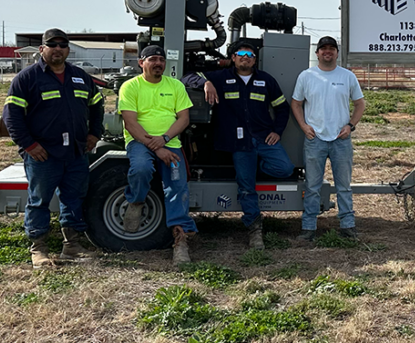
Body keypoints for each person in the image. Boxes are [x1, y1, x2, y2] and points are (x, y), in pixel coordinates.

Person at [3, 28, 104, 266]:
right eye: (52, 44)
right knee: (39, 200)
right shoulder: (27, 79)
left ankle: (72, 246)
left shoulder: (80, 76)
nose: (58, 49)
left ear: (68, 49)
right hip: (43, 154)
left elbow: (97, 105)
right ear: (42, 49)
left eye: (62, 45)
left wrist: (94, 133)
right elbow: (12, 116)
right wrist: (28, 145)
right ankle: (38, 248)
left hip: (76, 152)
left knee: (74, 198)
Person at [184, 41, 293, 250]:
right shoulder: (220, 78)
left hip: (263, 138)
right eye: (241, 53)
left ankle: (256, 169)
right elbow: (186, 76)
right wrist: (205, 84)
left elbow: (282, 108)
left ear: (255, 59)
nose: (246, 57)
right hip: (239, 143)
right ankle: (254, 229)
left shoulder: (266, 80)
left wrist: (276, 132)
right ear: (233, 58)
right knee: (246, 188)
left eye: (250, 54)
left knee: (285, 168)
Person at [118, 45, 198, 264]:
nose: (158, 63)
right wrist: (156, 147)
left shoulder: (175, 86)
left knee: (177, 185)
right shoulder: (130, 86)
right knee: (142, 168)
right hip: (140, 141)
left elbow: (183, 118)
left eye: (161, 60)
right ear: (141, 63)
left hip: (169, 142)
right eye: (152, 59)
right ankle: (136, 202)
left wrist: (163, 140)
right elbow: (130, 122)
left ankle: (180, 240)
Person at [291, 36, 366, 241]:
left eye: (331, 48)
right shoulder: (307, 76)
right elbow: (296, 103)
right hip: (315, 139)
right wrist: (304, 126)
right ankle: (309, 228)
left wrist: (350, 126)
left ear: (336, 53)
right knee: (312, 186)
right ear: (317, 53)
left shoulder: (347, 76)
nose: (327, 52)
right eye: (323, 48)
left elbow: (360, 104)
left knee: (344, 186)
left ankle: (348, 226)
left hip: (341, 140)